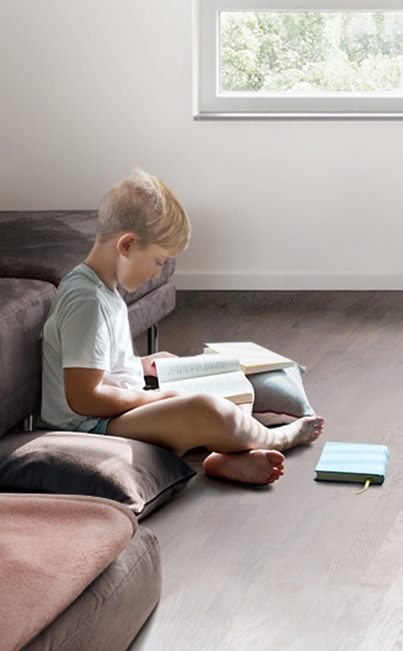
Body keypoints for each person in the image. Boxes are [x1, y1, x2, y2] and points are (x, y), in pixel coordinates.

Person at [40, 169, 324, 484]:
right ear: (128, 246)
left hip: (115, 412)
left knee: (231, 386)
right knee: (207, 409)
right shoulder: (88, 301)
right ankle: (278, 438)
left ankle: (225, 457)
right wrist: (157, 398)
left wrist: (143, 365)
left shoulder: (103, 291)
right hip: (92, 428)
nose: (156, 273)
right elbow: (84, 398)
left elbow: (98, 366)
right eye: (159, 261)